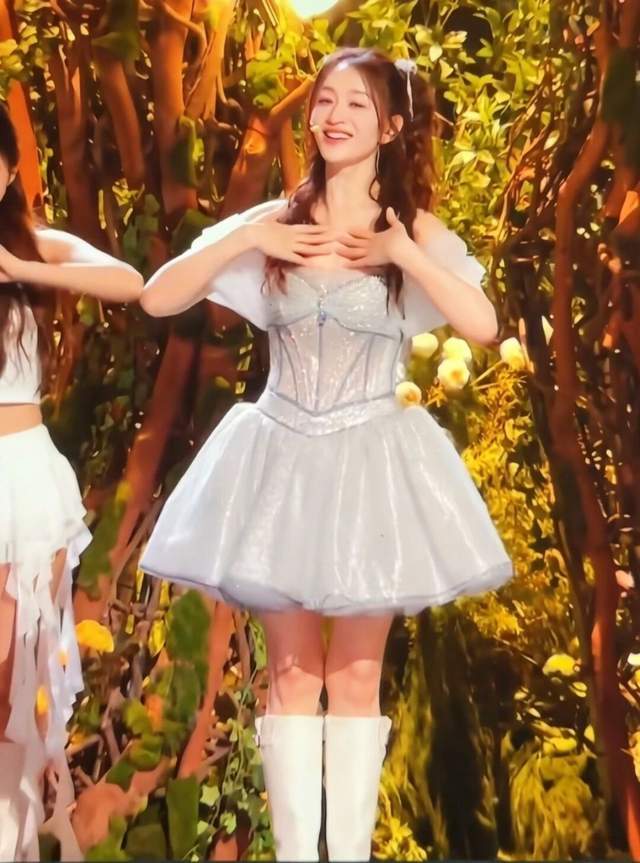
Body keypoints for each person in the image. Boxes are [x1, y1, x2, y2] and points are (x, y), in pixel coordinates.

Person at [139, 46, 513, 862]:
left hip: (370, 460)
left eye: (356, 104)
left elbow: (483, 325)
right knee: (290, 675)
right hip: (282, 459)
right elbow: (157, 295)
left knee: (354, 677)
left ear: (393, 125)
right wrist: (249, 234)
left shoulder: (411, 229)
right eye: (325, 101)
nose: (334, 116)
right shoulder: (278, 220)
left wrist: (402, 254)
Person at [0, 103, 144, 861]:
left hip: (21, 485)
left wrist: (23, 270)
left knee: (15, 682)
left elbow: (129, 281)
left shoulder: (32, 246)